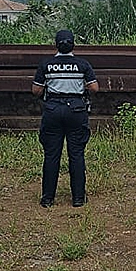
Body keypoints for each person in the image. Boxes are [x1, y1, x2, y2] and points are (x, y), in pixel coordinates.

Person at [31, 29, 99, 208]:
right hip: (76, 110)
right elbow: (94, 88)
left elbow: (36, 91)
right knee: (76, 154)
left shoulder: (46, 64)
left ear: (56, 45)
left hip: (53, 109)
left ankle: (47, 198)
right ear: (73, 45)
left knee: (51, 154)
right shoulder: (82, 64)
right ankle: (78, 198)